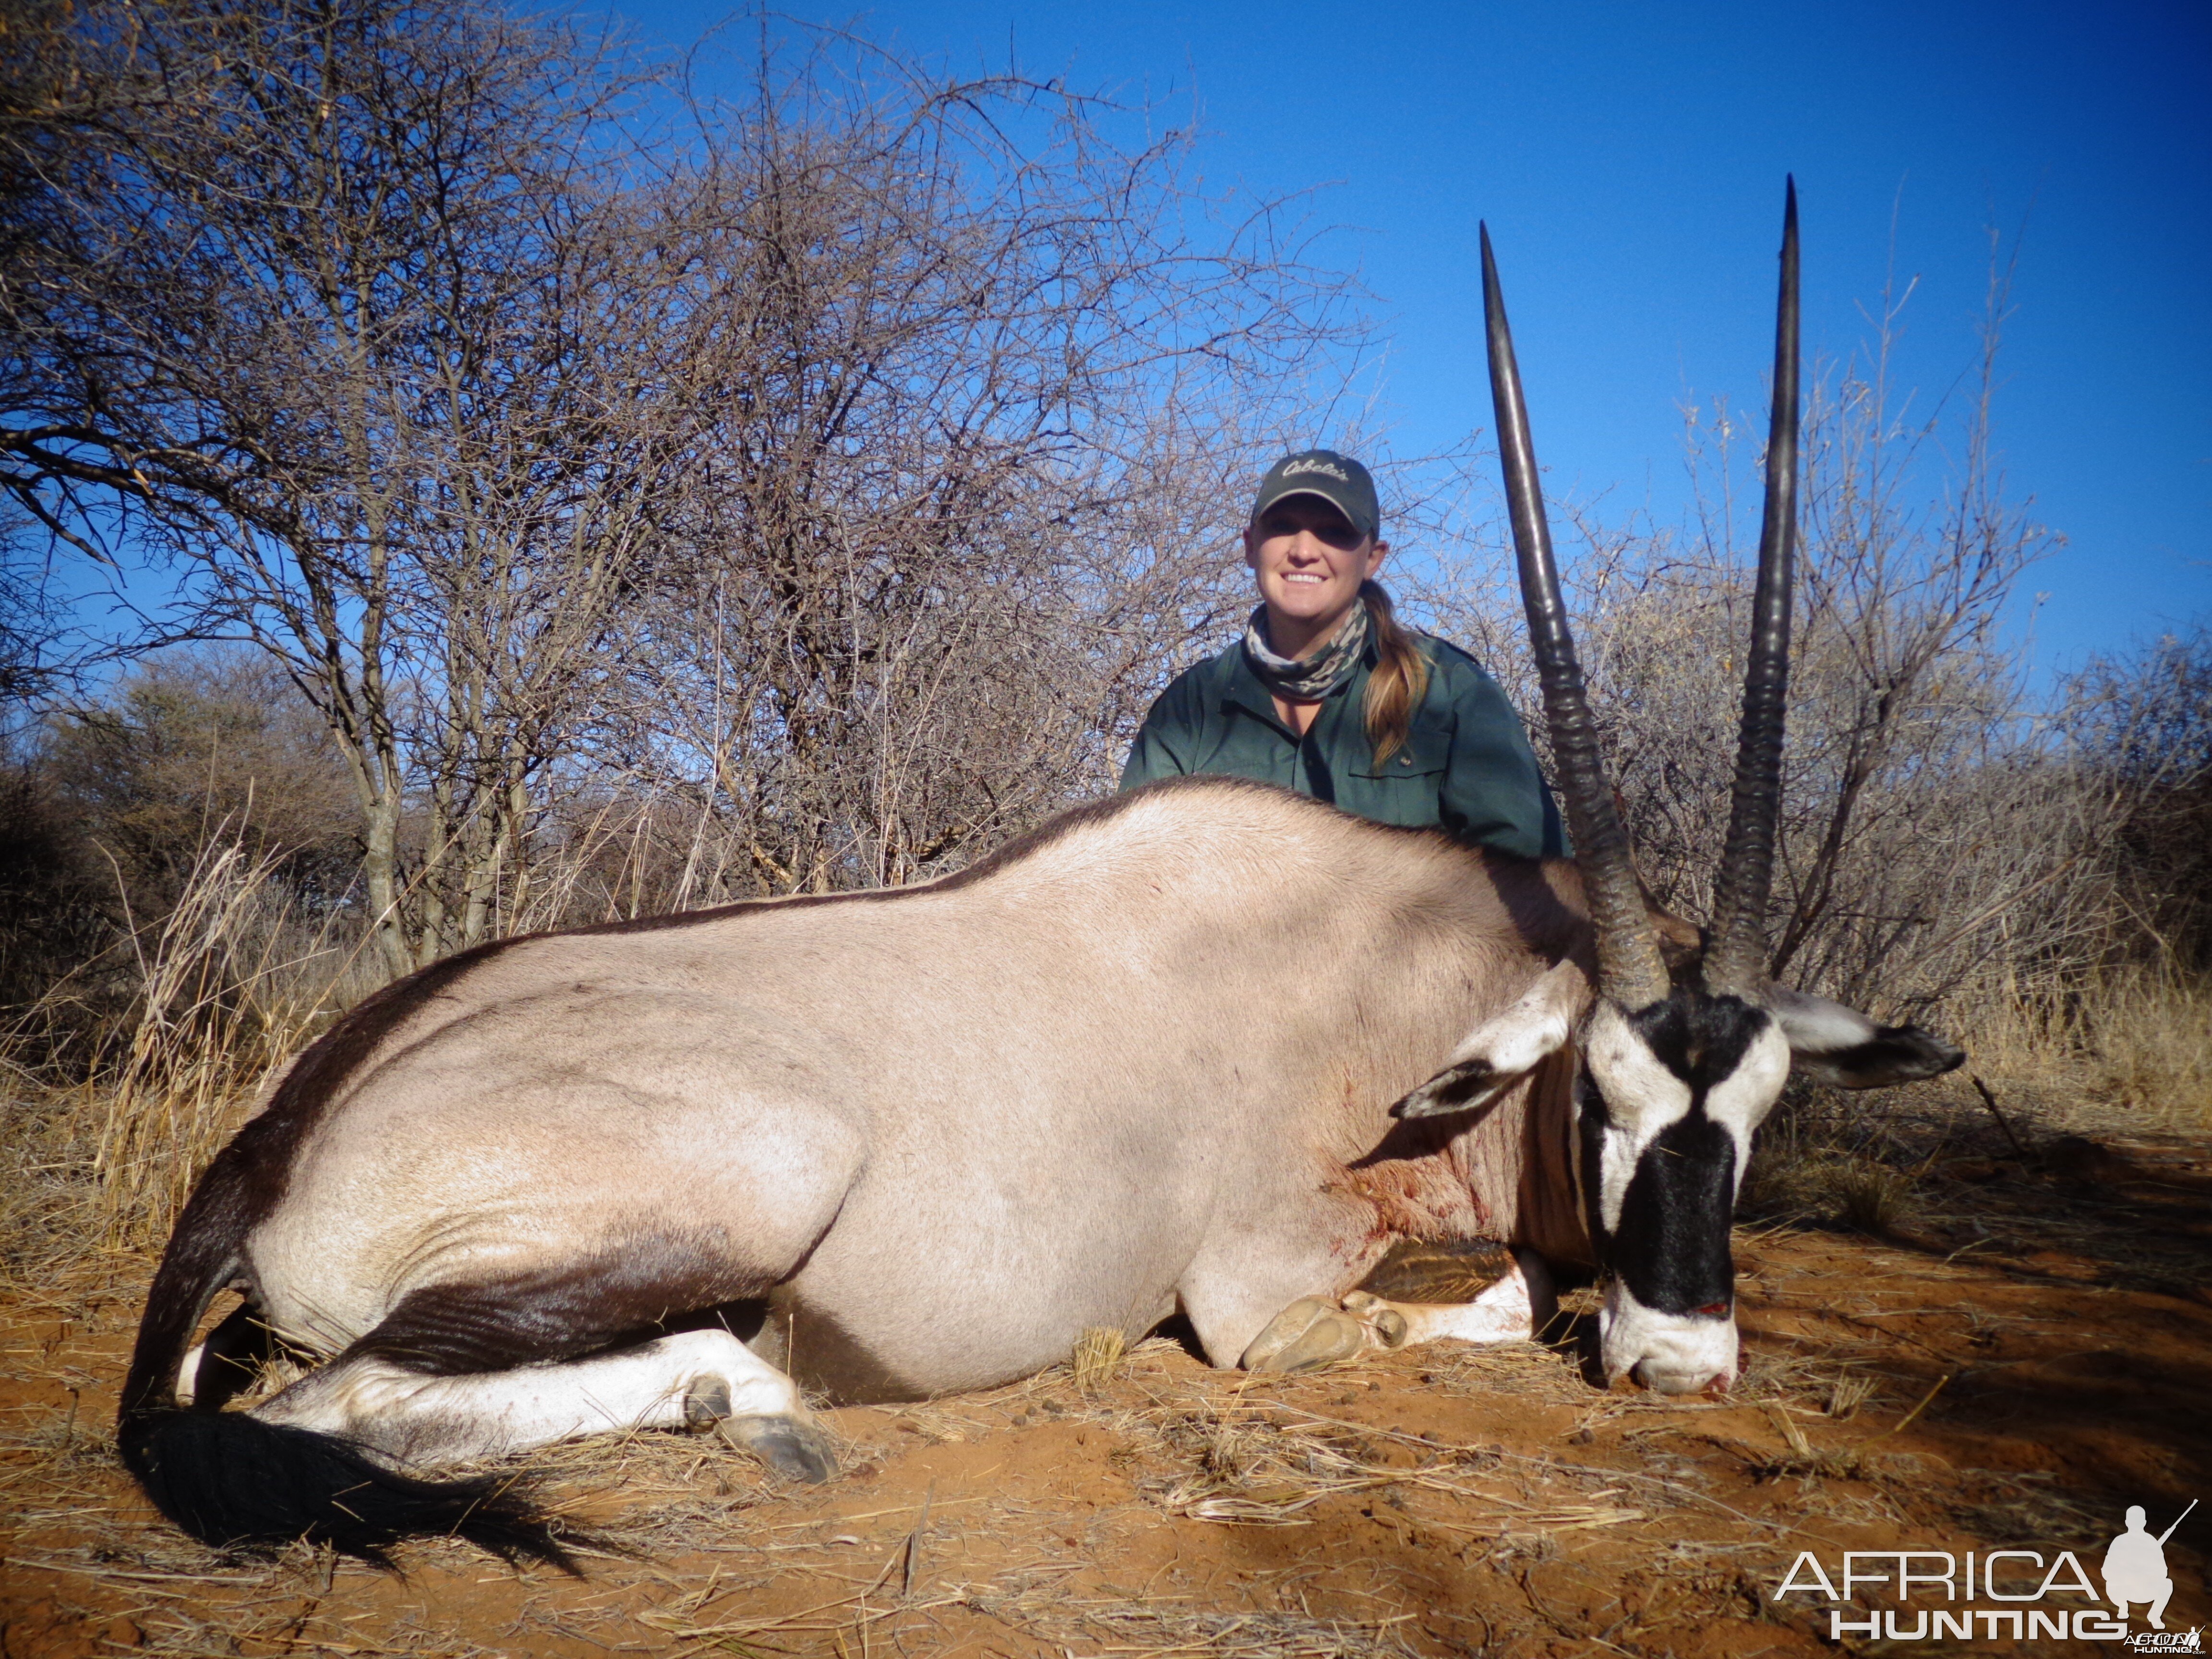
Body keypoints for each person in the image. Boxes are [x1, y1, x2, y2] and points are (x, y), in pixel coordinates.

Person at [1119, 448, 1565, 859]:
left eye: (1335, 533)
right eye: (1282, 526)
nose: (1304, 551)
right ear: (1251, 546)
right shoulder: (1188, 710)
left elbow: (1530, 882)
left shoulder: (1450, 692)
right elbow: (1134, 877)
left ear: (1372, 558)